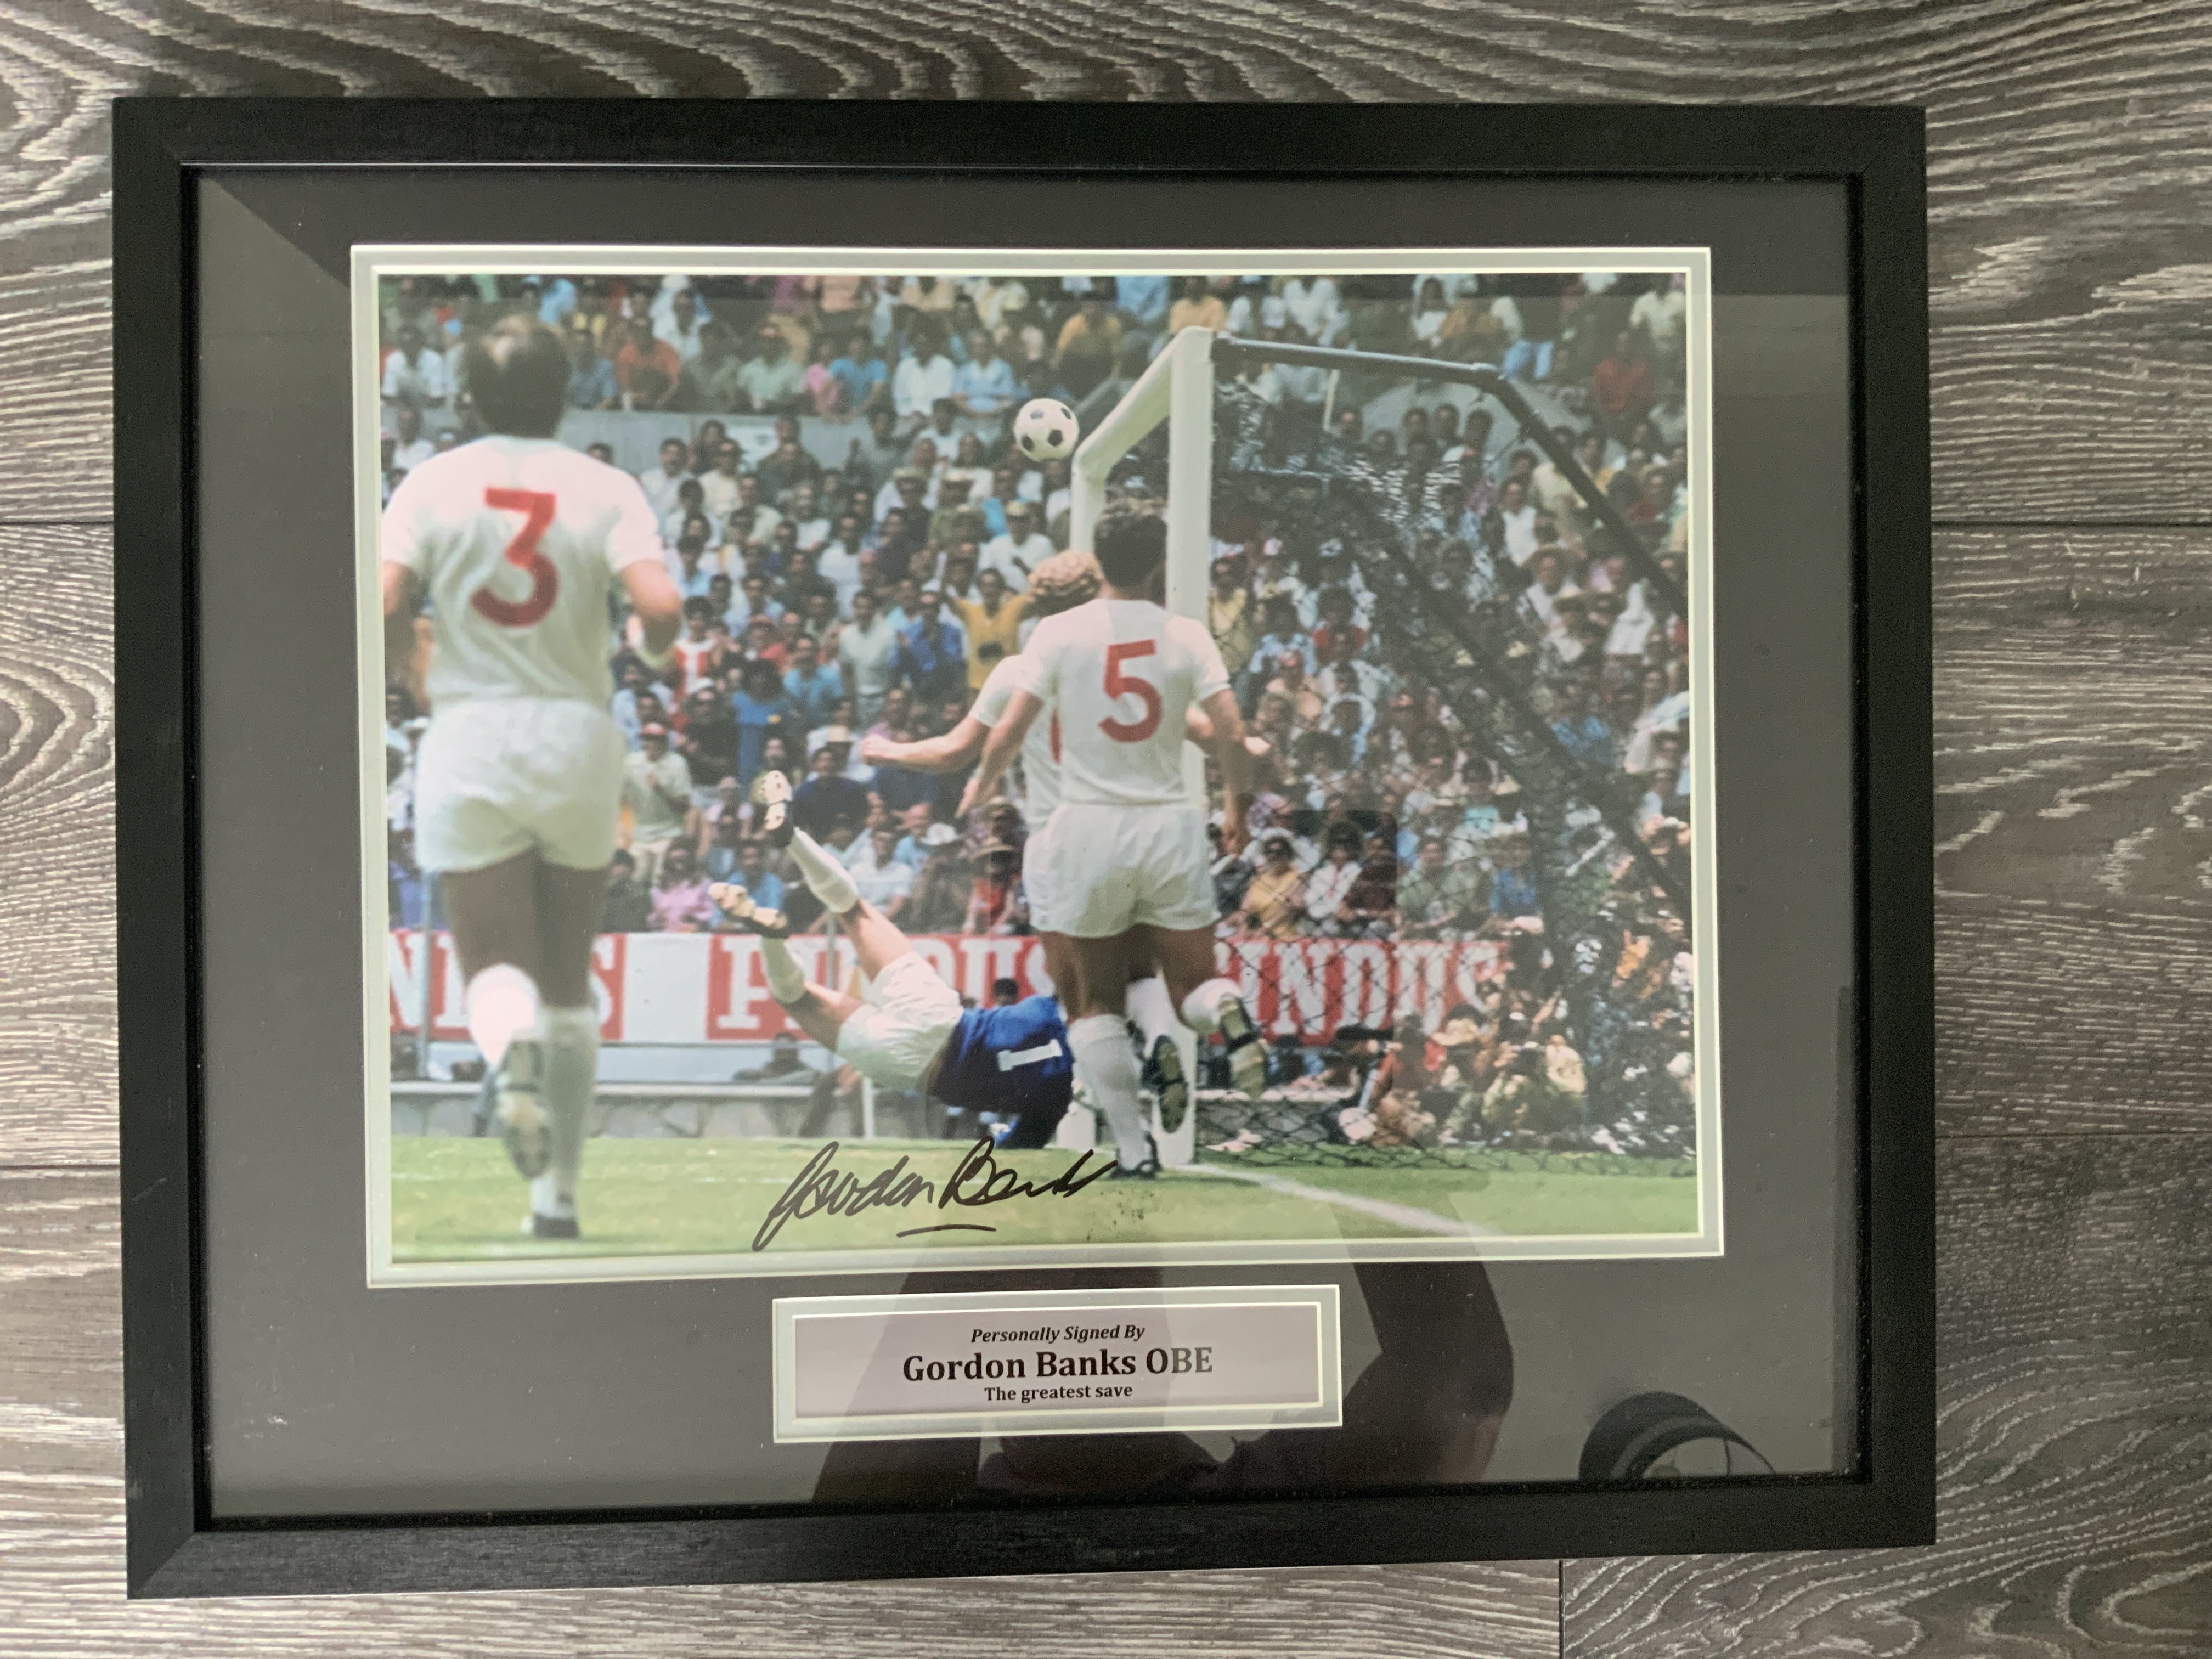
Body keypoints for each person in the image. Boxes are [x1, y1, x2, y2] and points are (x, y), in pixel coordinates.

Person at [380, 313, 682, 1239]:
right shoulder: (604, 485)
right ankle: (556, 1201)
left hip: (471, 732)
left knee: (491, 967)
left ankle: (503, 1054)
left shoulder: (433, 482)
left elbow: (385, 596)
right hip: (577, 740)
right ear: (565, 393)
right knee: (566, 981)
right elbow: (660, 607)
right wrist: (649, 642)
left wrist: (410, 667)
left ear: (469, 396)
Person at [960, 503, 1264, 1175]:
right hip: (1170, 823)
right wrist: (1238, 803)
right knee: (1191, 989)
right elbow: (1233, 735)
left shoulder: (1059, 635)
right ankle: (1233, 1011)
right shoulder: (1186, 634)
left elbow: (1011, 728)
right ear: (1159, 561)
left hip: (1087, 826)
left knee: (1094, 1001)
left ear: (1099, 558)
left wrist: (982, 782)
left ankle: (1132, 1149)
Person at [710, 775, 1083, 1156]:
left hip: (941, 1017)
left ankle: (790, 836)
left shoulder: (1059, 1009)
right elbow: (1020, 1145)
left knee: (852, 910)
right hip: (912, 1067)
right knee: (797, 999)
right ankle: (770, 938)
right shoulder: (1056, 1092)